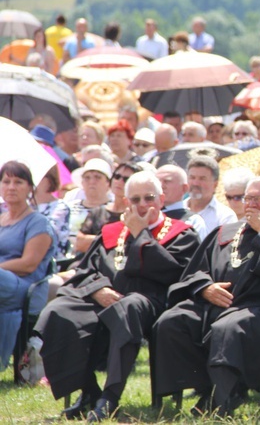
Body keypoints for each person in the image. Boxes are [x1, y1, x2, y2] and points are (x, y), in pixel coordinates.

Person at [152, 176, 260, 415]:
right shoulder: (225, 231)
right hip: (213, 302)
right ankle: (203, 389)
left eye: (259, 199)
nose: (251, 204)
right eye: (248, 198)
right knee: (171, 322)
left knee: (229, 328)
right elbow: (196, 270)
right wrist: (205, 287)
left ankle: (223, 400)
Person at [34, 172, 200, 421]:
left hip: (150, 303)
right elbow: (85, 270)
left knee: (128, 307)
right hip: (103, 298)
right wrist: (97, 289)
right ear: (125, 202)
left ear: (162, 199)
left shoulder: (182, 233)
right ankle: (88, 390)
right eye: (135, 199)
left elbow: (175, 273)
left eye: (149, 197)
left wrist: (141, 234)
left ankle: (109, 398)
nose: (142, 204)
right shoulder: (111, 233)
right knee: (59, 311)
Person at [0, 162, 55, 370]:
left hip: (25, 287)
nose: (11, 187)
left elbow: (29, 264)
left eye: (18, 182)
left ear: (30, 188)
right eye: (6, 181)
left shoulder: (38, 222)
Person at [154, 164, 207, 241]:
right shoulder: (145, 215)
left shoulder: (192, 221)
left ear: (184, 188)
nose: (161, 186)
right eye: (157, 181)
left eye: (167, 181)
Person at [185, 155, 237, 233]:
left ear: (215, 184)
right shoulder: (177, 210)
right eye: (192, 177)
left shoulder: (225, 217)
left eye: (202, 179)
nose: (195, 183)